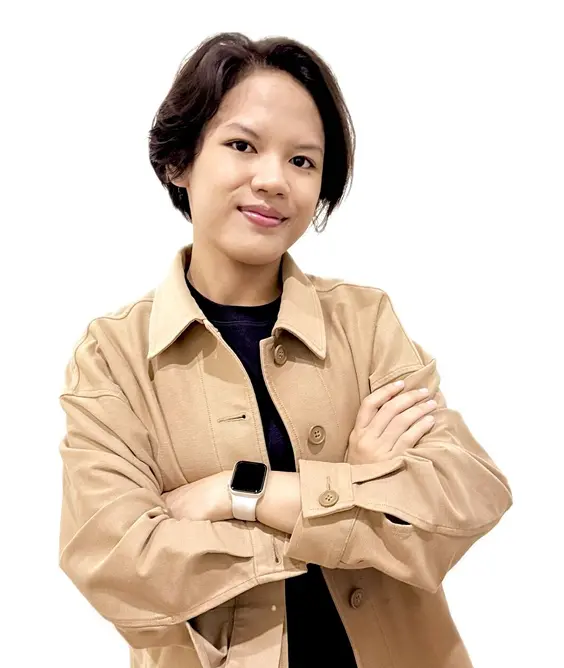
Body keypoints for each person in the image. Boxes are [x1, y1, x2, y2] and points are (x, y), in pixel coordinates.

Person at [57, 31, 513, 668]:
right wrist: (357, 493)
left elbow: (466, 495)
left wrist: (238, 494)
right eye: (242, 145)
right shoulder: (113, 356)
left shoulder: (364, 321)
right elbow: (118, 566)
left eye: (303, 161)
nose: (273, 180)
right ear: (179, 162)